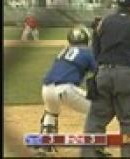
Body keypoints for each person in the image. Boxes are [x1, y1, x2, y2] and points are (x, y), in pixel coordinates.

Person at [80, 0, 130, 157]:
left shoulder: (103, 22)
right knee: (128, 121)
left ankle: (88, 154)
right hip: (126, 75)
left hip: (103, 74)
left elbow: (95, 52)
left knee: (96, 119)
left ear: (118, 5)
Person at [36, 26, 96, 156]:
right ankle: (93, 146)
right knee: (97, 111)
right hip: (65, 89)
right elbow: (98, 71)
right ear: (86, 38)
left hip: (46, 88)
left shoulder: (63, 50)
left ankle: (45, 146)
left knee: (51, 113)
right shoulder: (87, 52)